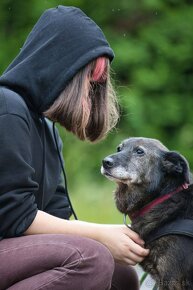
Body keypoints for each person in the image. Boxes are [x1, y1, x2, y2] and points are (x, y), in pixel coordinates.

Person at [0, 5, 149, 290]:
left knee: (121, 274)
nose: (91, 95)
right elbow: (15, 216)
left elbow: (55, 217)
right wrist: (101, 235)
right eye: (88, 82)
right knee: (90, 259)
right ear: (59, 66)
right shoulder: (7, 107)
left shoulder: (45, 127)